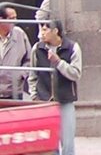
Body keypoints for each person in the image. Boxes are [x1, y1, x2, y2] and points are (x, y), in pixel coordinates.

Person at [29, 19, 83, 155]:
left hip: (65, 99)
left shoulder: (72, 47)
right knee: (49, 142)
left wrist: (59, 62)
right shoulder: (37, 48)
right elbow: (33, 74)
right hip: (44, 100)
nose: (42, 33)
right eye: (41, 29)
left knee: (68, 142)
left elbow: (76, 74)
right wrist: (34, 95)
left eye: (45, 30)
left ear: (55, 31)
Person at [0, 6, 30, 99]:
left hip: (14, 91)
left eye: (16, 17)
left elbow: (29, 60)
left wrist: (21, 74)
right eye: (11, 18)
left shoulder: (20, 34)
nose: (15, 21)